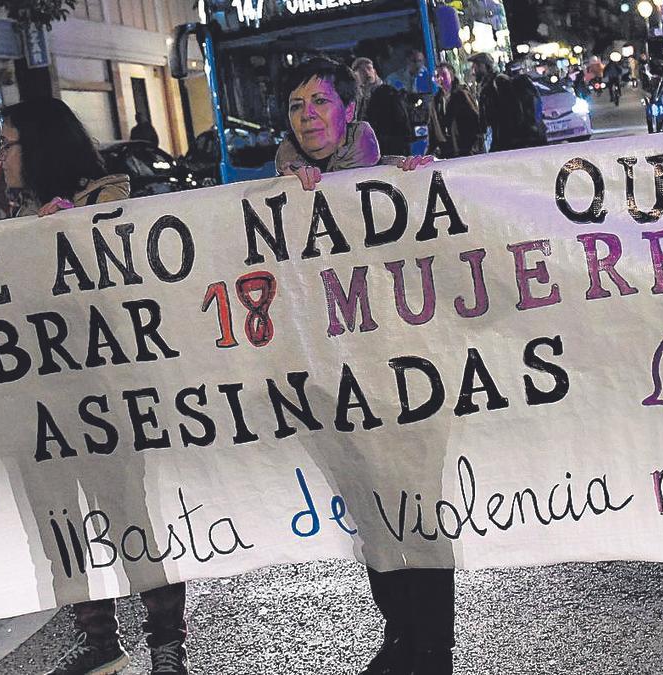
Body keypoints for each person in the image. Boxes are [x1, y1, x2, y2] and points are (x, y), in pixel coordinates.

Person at [0, 98, 188, 675]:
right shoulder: (15, 215)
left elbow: (129, 283)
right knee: (60, 522)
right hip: (39, 397)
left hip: (106, 393)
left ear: (40, 146)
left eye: (9, 144)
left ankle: (166, 644)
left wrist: (68, 235)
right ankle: (99, 640)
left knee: (129, 514)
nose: (0, 157)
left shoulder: (109, 197)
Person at [276, 57, 448, 675]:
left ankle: (433, 644)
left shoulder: (390, 173)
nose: (308, 116)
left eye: (320, 102)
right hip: (330, 383)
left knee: (416, 507)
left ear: (349, 110)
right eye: (297, 107)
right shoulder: (276, 190)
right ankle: (400, 631)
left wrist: (417, 185)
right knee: (367, 511)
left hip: (403, 376)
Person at [469, 54, 544, 153]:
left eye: (476, 67)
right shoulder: (488, 86)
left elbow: (510, 112)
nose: (473, 72)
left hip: (510, 142)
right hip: (505, 142)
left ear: (484, 66)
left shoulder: (498, 83)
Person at [351, 57, 412, 157]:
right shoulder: (358, 98)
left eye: (369, 68)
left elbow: (403, 122)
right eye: (362, 70)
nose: (367, 73)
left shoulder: (389, 92)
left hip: (392, 150)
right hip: (370, 152)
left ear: (374, 71)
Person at [428, 62, 480, 159]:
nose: (440, 79)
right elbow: (433, 128)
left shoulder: (462, 94)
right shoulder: (435, 101)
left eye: (443, 75)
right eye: (437, 76)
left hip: (465, 150)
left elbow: (474, 120)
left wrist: (472, 146)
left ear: (451, 76)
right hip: (447, 152)